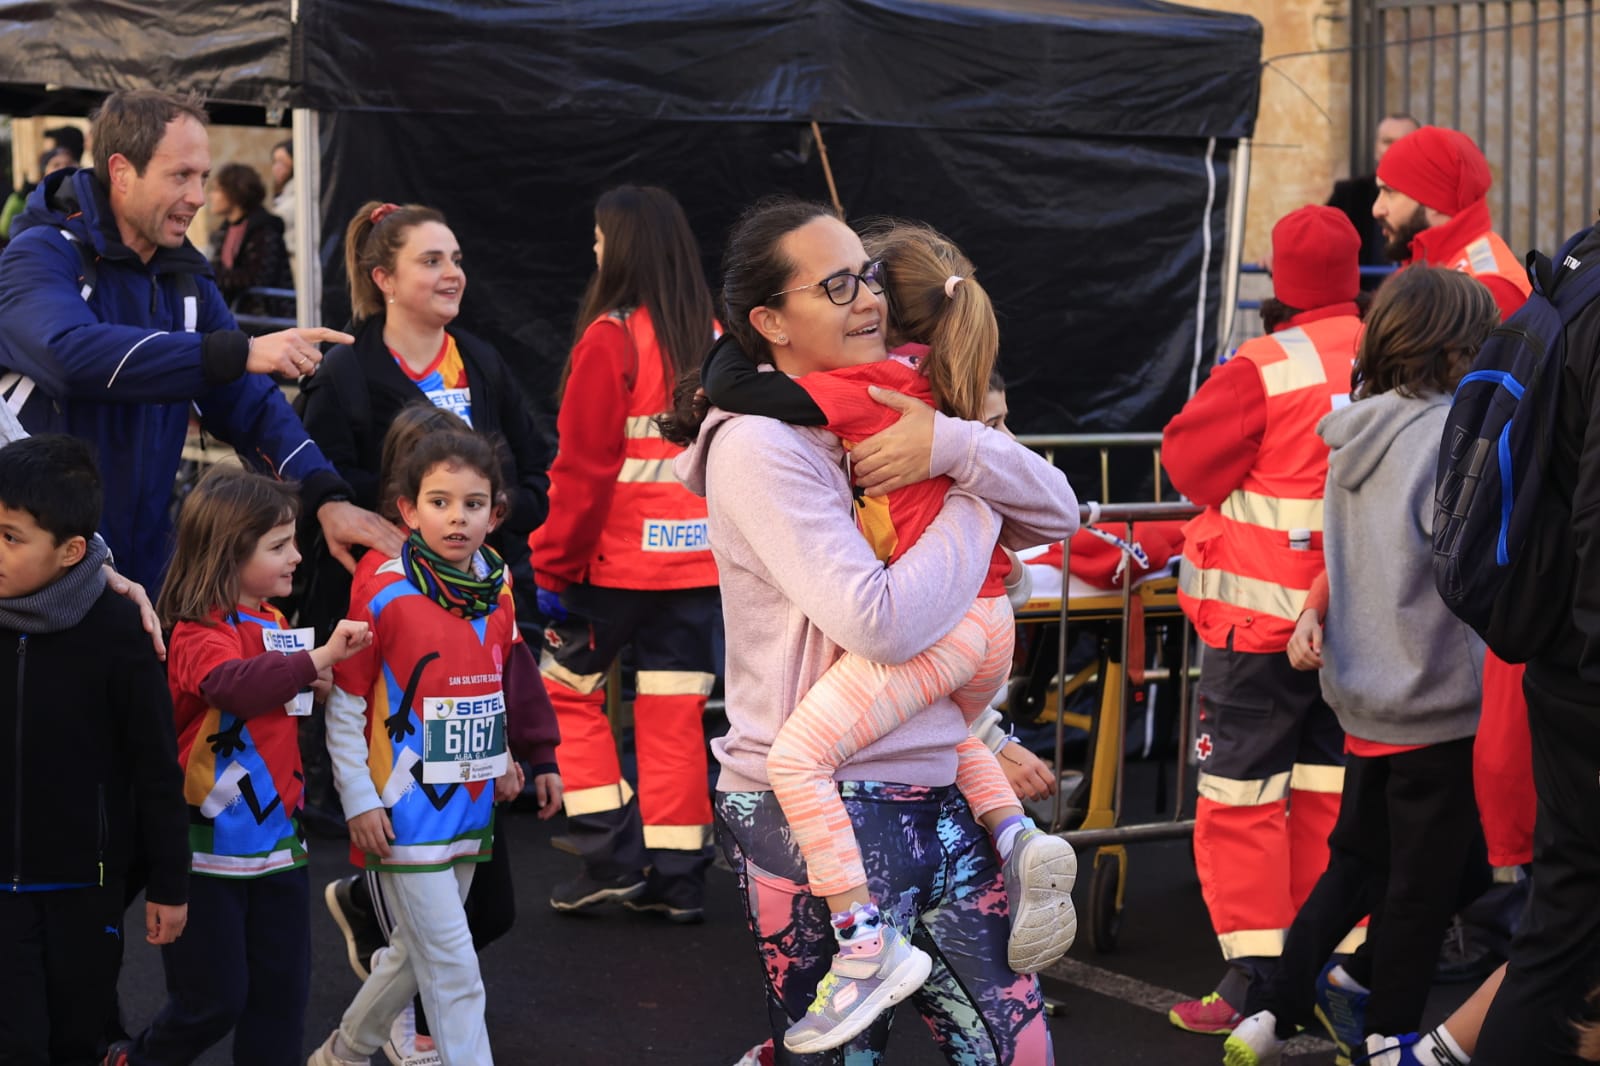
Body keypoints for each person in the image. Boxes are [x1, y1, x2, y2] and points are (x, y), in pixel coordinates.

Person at [663, 196, 1078, 1062]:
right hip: (814, 802)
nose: (868, 300)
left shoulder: (895, 405)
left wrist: (956, 448)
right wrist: (969, 491)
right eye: (838, 284)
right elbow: (879, 621)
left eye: (871, 277)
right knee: (841, 1056)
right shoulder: (758, 447)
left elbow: (1056, 512)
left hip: (931, 779)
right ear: (770, 321)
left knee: (1019, 1048)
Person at [1220, 266, 1498, 1066]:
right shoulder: (1453, 440)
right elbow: (1462, 567)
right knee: (1422, 888)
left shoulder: (1354, 436)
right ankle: (1389, 1036)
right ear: (1457, 349)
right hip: (1439, 700)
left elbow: (1349, 559)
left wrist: (1314, 612)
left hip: (1365, 696)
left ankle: (1272, 1013)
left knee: (1363, 868)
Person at [0, 88, 401, 593]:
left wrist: (325, 497)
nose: (198, 196)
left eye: (204, 177)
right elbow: (68, 355)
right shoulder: (40, 253)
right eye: (181, 176)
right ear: (122, 171)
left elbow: (248, 403)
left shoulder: (184, 276)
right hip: (36, 577)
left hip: (140, 570)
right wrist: (241, 351)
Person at [1161, 205, 1366, 1035]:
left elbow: (1187, 462)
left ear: (1279, 282)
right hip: (1356, 623)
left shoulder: (1265, 362)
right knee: (1330, 794)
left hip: (1260, 629)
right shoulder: (1393, 342)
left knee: (1242, 803)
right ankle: (1328, 972)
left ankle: (1251, 980)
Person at [106, 467, 372, 1066]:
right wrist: (317, 659)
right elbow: (231, 687)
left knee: (280, 1003)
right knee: (212, 1002)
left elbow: (273, 695)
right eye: (278, 545)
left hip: (279, 849)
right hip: (203, 853)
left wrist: (315, 683)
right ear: (229, 552)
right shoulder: (197, 633)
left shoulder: (275, 624)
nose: (298, 556)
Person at [314, 427, 562, 1066]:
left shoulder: (499, 584)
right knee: (455, 969)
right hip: (404, 807)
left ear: (496, 512)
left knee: (410, 955)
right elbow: (346, 703)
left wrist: (507, 754)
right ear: (407, 510)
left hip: (472, 800)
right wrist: (359, 800)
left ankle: (342, 1053)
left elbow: (494, 678)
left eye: (473, 504)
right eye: (440, 502)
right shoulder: (383, 588)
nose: (457, 518)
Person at [531, 184, 722, 923]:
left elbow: (582, 472)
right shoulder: (710, 339)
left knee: (565, 696)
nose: (595, 250)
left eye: (602, 238)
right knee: (674, 716)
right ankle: (678, 879)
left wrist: (550, 565)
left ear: (626, 248)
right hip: (696, 570)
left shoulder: (610, 337)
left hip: (608, 572)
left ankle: (608, 856)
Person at [1376, 123, 1537, 982]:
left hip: (1459, 551)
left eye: (1391, 189)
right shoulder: (1447, 270)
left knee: (1461, 756)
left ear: (1431, 196)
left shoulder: (1490, 286)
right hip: (1436, 541)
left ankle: (1486, 926)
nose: (1378, 206)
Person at [0, 434, 190, 1064]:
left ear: (71, 551)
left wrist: (170, 881)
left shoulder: (119, 631)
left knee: (76, 1038)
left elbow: (156, 766)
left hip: (85, 885)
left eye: (10, 536)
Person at [1466, 224, 1600, 1065]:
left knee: (1561, 929)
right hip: (1587, 671)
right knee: (1559, 939)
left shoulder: (1581, 268)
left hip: (1566, 660)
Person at [298, 199, 550, 641]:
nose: (452, 273)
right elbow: (318, 482)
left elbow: (533, 470)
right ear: (385, 278)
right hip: (384, 615)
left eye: (455, 260)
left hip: (485, 606)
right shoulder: (344, 373)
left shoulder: (482, 361)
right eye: (431, 261)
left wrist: (495, 512)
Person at [1326, 113, 1418, 275]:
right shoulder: (1350, 194)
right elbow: (1317, 236)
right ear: (1376, 148)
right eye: (1387, 141)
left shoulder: (1433, 198)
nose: (1395, 148)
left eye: (1404, 141)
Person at [205, 162, 294, 325]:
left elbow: (256, 277)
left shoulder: (263, 229)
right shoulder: (225, 231)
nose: (211, 195)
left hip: (267, 317)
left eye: (217, 189)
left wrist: (209, 272)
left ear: (234, 192)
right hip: (237, 314)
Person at [1, 145, 78, 239]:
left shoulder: (87, 195)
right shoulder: (32, 199)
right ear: (45, 171)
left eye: (69, 163)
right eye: (56, 165)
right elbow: (6, 229)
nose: (63, 168)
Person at [267, 140, 297, 289]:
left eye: (282, 163)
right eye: (275, 162)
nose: (277, 168)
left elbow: (279, 219)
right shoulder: (283, 193)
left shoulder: (299, 193)